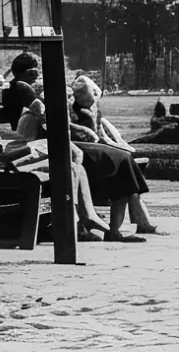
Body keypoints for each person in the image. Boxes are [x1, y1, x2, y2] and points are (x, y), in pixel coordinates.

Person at [68, 76, 163, 242]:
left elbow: (101, 137)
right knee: (125, 167)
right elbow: (89, 139)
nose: (71, 99)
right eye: (69, 97)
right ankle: (121, 229)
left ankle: (126, 227)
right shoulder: (75, 114)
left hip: (91, 155)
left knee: (126, 165)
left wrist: (120, 148)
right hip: (86, 160)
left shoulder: (87, 112)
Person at [11, 96, 111, 243]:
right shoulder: (41, 118)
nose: (71, 100)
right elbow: (75, 153)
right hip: (18, 164)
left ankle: (87, 216)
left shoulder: (37, 115)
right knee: (70, 168)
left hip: (27, 159)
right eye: (68, 97)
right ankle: (76, 221)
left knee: (76, 168)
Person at [0, 52, 41, 129]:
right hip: (23, 129)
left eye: (37, 72)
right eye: (32, 72)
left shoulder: (13, 86)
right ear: (21, 74)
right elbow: (39, 110)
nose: (36, 76)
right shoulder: (23, 88)